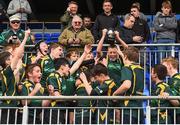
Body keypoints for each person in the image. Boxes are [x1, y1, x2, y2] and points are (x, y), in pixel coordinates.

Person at [45, 44, 92, 124]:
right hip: (53, 110)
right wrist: (72, 98)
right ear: (62, 67)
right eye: (68, 67)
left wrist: (85, 53)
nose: (69, 68)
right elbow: (57, 97)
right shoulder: (53, 77)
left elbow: (76, 66)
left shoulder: (63, 76)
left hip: (61, 109)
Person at [0, 29, 30, 124]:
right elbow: (18, 55)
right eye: (10, 59)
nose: (12, 59)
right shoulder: (6, 72)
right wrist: (25, 37)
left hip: (11, 105)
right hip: (7, 105)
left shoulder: (6, 72)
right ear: (6, 61)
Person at [113, 46, 144, 124]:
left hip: (128, 107)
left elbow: (126, 85)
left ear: (126, 56)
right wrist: (121, 54)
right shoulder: (140, 68)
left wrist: (115, 94)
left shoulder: (127, 68)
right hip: (139, 107)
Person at [161, 57, 180, 124]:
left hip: (177, 114)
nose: (162, 69)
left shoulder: (175, 80)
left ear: (170, 66)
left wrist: (168, 96)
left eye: (164, 67)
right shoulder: (174, 79)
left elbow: (177, 102)